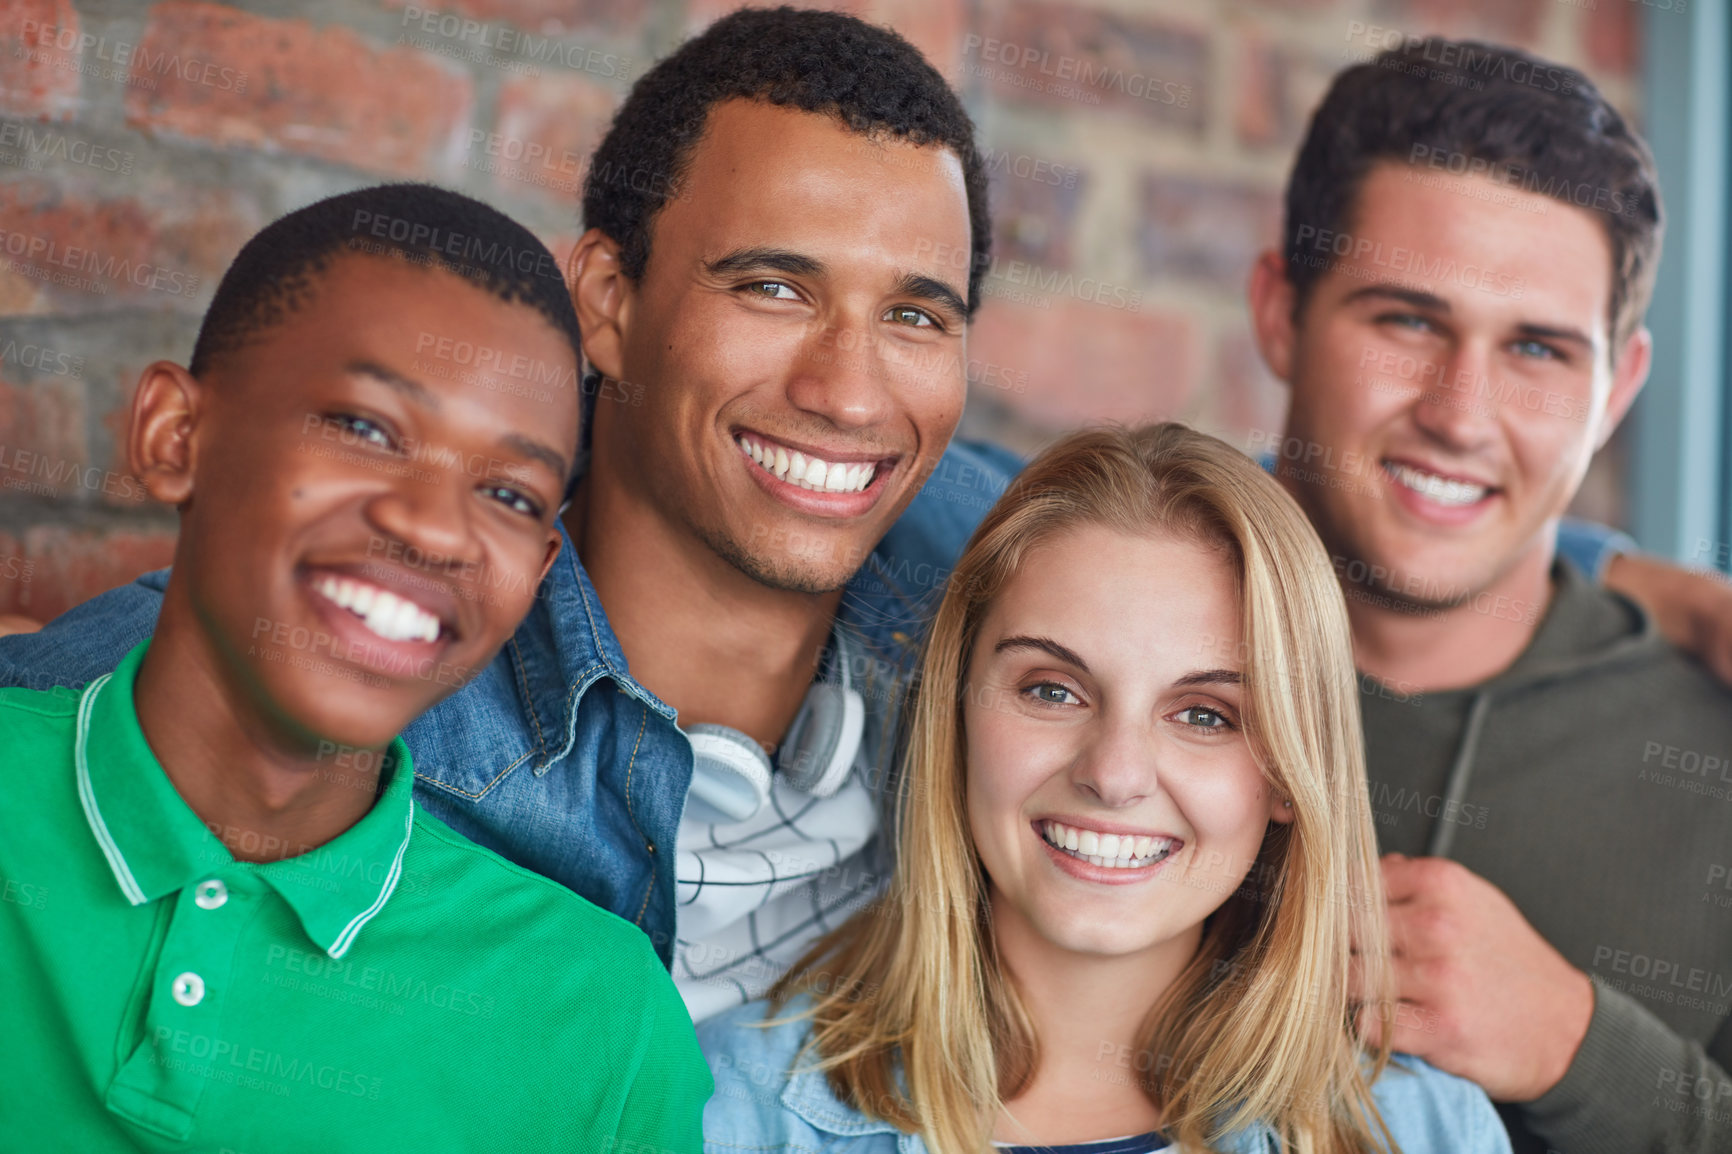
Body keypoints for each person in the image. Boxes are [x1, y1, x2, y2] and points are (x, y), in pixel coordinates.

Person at [0, 6, 1010, 1023]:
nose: (849, 394)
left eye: (916, 315)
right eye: (775, 288)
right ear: (609, 301)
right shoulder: (344, 661)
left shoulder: (1000, 598)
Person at [0, 185, 709, 1152]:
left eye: (507, 492)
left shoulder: (602, 1029)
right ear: (177, 437)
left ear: (538, 578)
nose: (432, 527)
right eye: (366, 429)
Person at [700, 423, 1510, 1154]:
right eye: (1052, 690)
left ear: (1291, 774)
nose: (1114, 775)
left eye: (1205, 713)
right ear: (956, 710)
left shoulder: (1434, 1135)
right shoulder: (735, 1108)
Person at [1248, 38, 1732, 1153]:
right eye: (1407, 320)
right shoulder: (1080, 653)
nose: (1461, 414)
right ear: (1280, 310)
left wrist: (1578, 1042)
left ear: (1620, 389)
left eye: (1537, 349)